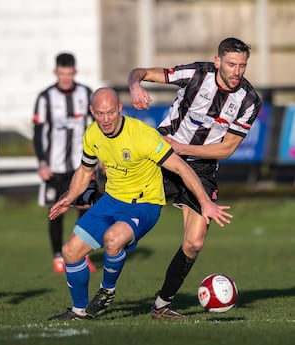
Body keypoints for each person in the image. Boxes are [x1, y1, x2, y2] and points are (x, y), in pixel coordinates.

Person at [47, 87, 232, 320]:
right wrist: (69, 198)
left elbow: (181, 167)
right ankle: (79, 311)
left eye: (111, 112)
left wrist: (205, 202)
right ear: (92, 111)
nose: (106, 119)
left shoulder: (142, 135)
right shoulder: (92, 134)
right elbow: (85, 172)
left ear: (120, 108)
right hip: (111, 200)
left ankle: (107, 291)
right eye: (100, 113)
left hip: (144, 204)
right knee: (70, 251)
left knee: (113, 240)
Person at [128, 37, 262, 319]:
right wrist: (135, 85)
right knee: (123, 225)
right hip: (162, 160)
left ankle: (163, 305)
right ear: (217, 62)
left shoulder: (249, 101)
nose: (237, 71)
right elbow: (140, 72)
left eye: (242, 66)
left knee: (194, 243)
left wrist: (184, 148)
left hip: (201, 169)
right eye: (231, 64)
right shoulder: (196, 74)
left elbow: (226, 149)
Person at [33, 52, 97, 273]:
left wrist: (101, 159)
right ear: (56, 72)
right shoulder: (45, 98)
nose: (66, 78)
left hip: (82, 166)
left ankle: (80, 253)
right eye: (62, 74)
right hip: (54, 167)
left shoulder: (85, 94)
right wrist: (42, 162)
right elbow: (38, 132)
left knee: (86, 209)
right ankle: (58, 256)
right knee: (56, 211)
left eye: (69, 74)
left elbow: (96, 128)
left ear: (74, 72)